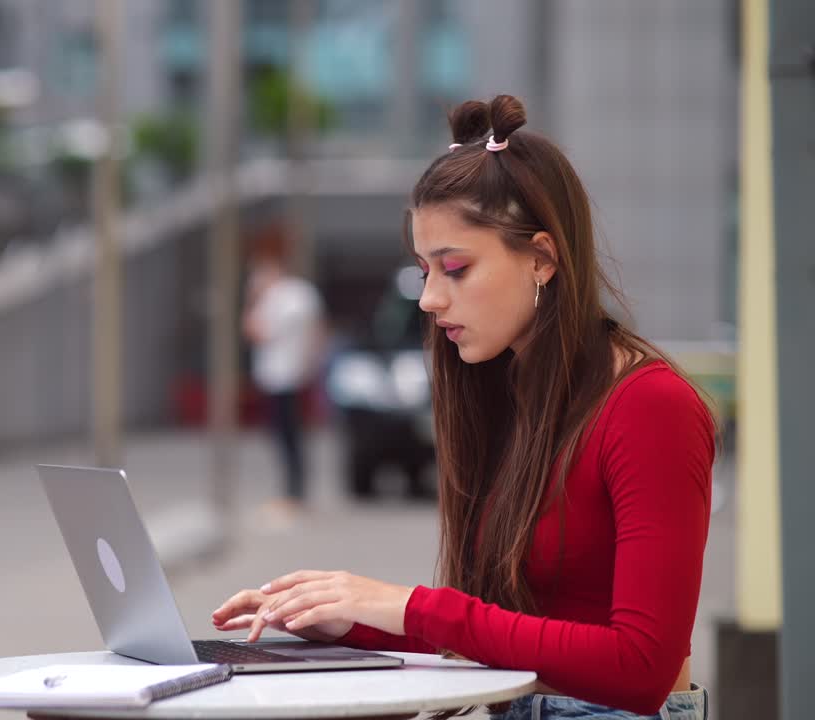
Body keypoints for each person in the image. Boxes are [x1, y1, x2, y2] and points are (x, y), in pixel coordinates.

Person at [212, 95, 714, 720]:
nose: (428, 299)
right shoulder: (509, 391)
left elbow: (642, 667)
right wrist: (344, 618)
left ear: (542, 258)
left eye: (454, 268)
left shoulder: (650, 406)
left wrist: (410, 606)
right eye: (424, 270)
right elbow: (498, 629)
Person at [241, 225, 324, 526]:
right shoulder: (302, 294)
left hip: (280, 376)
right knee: (293, 436)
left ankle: (293, 494)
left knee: (286, 437)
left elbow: (254, 332)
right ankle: (296, 491)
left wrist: (253, 299)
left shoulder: (276, 297)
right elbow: (317, 332)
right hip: (294, 374)